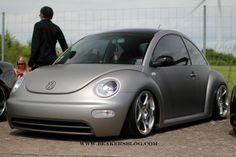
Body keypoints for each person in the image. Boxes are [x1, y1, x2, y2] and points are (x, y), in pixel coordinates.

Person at [28, 6, 68, 70]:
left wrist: (30, 63)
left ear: (42, 15)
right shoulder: (56, 28)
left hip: (40, 63)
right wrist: (65, 61)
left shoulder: (38, 26)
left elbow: (35, 47)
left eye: (40, 14)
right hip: (53, 62)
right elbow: (65, 48)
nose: (39, 15)